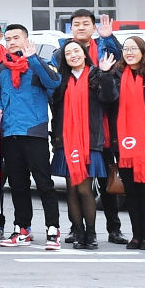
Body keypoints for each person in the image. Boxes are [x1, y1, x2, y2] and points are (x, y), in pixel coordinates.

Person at [0, 23, 64, 250]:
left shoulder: (38, 64)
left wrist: (33, 58)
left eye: (16, 38)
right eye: (8, 39)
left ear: (26, 40)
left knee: (44, 183)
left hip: (34, 132)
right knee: (18, 185)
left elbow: (54, 82)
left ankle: (53, 229)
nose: (12, 42)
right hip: (10, 132)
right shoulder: (0, 69)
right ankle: (21, 228)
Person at [62, 10, 126, 244]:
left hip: (103, 132)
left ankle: (113, 228)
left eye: (85, 23)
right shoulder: (62, 54)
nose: (81, 27)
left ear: (93, 27)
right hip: (71, 136)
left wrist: (108, 38)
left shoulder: (103, 51)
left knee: (107, 185)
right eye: (76, 24)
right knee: (75, 186)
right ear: (71, 28)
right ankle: (76, 229)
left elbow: (120, 64)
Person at [101, 34, 145, 250]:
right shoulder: (117, 74)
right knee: (130, 192)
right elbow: (108, 98)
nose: (129, 52)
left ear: (142, 52)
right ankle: (136, 235)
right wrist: (105, 74)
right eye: (126, 49)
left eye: (134, 49)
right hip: (124, 142)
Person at [49, 37, 109, 250]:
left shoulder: (96, 75)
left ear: (85, 54)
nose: (73, 55)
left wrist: (105, 74)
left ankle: (91, 233)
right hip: (66, 140)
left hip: (89, 141)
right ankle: (78, 232)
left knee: (84, 188)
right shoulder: (60, 80)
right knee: (72, 189)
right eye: (68, 53)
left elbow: (109, 98)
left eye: (76, 51)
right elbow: (55, 108)